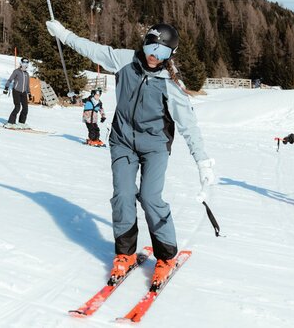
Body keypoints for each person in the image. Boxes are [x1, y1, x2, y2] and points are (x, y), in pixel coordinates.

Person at [46, 19, 216, 287]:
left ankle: (166, 256)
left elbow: (189, 126)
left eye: (162, 53)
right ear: (144, 43)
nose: (153, 55)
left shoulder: (171, 85)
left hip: (155, 147)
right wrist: (64, 34)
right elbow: (91, 49)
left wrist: (203, 162)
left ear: (170, 55)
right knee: (123, 195)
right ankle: (124, 254)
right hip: (122, 142)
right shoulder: (124, 61)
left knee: (150, 197)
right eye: (151, 47)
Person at [3, 58, 32, 129]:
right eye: (24, 63)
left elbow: (27, 85)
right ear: (21, 63)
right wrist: (6, 88)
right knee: (17, 107)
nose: (25, 65)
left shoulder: (27, 74)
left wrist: (29, 93)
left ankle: (21, 122)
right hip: (16, 91)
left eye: (26, 63)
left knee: (25, 108)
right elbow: (10, 80)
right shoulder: (16, 71)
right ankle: (10, 122)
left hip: (23, 92)